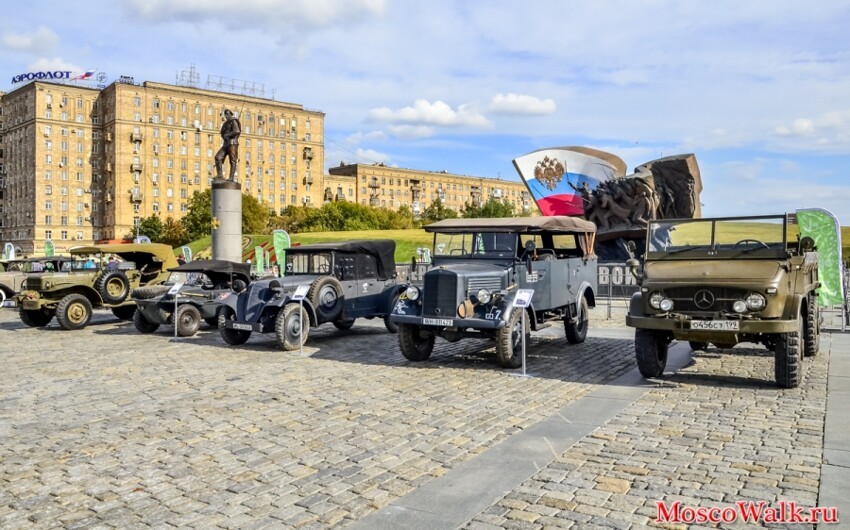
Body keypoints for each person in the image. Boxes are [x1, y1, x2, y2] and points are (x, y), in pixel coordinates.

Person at [214, 109, 241, 180]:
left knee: (232, 160)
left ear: (230, 114)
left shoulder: (233, 120)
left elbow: (237, 131)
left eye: (227, 114)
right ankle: (220, 175)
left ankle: (231, 177)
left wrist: (228, 134)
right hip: (226, 143)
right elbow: (222, 133)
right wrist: (224, 135)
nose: (226, 115)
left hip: (232, 143)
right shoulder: (225, 123)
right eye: (225, 114)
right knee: (218, 157)